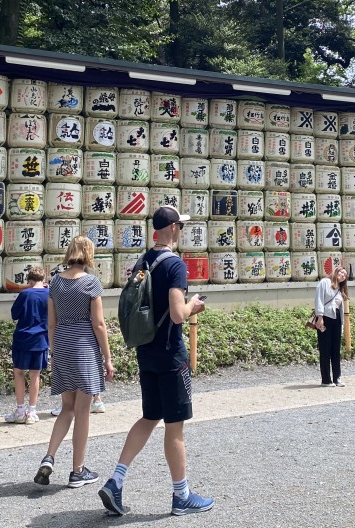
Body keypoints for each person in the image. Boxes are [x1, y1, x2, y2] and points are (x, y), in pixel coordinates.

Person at [97, 206, 212, 517]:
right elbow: (177, 313)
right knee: (174, 427)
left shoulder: (143, 261)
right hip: (170, 354)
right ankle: (182, 496)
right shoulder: (174, 264)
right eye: (182, 227)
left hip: (145, 351)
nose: (182, 232)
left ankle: (116, 481)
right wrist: (194, 306)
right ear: (173, 229)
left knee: (149, 417)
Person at [34, 236, 114, 488]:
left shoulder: (55, 283)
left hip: (62, 347)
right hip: (84, 347)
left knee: (66, 408)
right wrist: (108, 357)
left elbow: (51, 323)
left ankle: (49, 456)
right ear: (89, 254)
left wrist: (55, 350)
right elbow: (98, 324)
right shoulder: (91, 283)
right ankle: (77, 471)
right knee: (82, 412)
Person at [4, 267, 49, 425]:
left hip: (23, 338)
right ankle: (32, 411)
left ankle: (20, 410)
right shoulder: (50, 295)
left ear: (29, 281)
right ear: (43, 280)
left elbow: (14, 314)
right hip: (42, 339)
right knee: (35, 375)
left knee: (18, 373)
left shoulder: (25, 294)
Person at [313, 266, 348, 387]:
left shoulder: (340, 289)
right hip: (325, 318)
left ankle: (337, 378)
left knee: (335, 350)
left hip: (337, 319)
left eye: (345, 275)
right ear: (336, 271)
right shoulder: (325, 282)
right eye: (341, 272)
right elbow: (319, 300)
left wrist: (342, 325)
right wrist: (320, 317)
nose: (343, 275)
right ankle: (326, 379)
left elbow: (340, 308)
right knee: (325, 349)